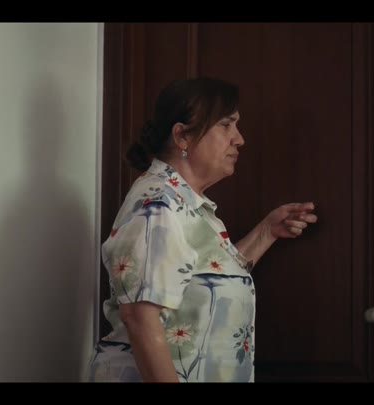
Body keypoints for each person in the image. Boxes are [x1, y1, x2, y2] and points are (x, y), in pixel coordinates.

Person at [89, 77, 317, 383]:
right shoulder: (159, 206)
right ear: (182, 136)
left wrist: (266, 232)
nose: (239, 139)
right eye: (226, 125)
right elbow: (140, 319)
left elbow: (204, 273)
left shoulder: (187, 204)